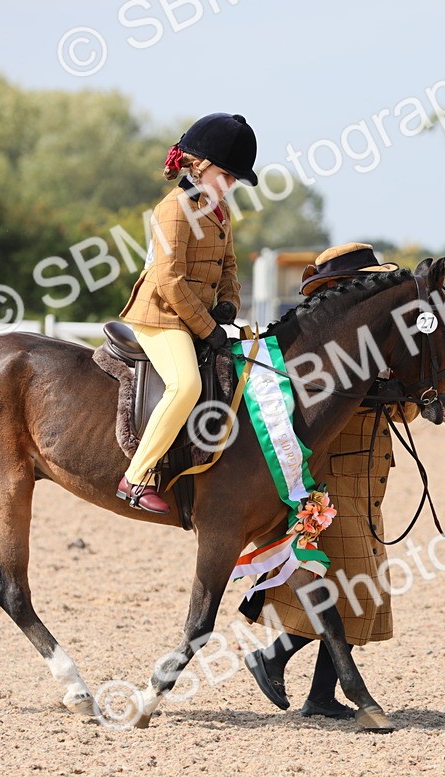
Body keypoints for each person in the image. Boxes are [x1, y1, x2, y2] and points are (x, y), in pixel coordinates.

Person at [241, 243, 414, 719]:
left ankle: (318, 694)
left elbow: (404, 411)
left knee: (358, 587)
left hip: (368, 477)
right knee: (349, 584)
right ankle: (273, 658)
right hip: (332, 480)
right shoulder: (318, 348)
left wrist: (400, 391)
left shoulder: (376, 342)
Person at [116, 113, 258, 514]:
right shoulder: (174, 209)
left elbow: (229, 267)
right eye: (226, 175)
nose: (230, 184)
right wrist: (207, 327)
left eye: (234, 179)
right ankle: (136, 477)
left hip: (194, 315)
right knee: (185, 386)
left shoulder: (219, 211)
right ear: (200, 165)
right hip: (160, 315)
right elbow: (169, 279)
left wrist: (229, 302)